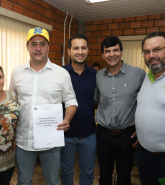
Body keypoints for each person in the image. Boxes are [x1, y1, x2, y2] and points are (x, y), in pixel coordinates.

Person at [9, 27, 78, 185]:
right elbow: (12, 100)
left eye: (42, 44)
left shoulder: (61, 73)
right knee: (23, 180)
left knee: (53, 180)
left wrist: (67, 119)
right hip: (23, 139)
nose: (38, 48)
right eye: (34, 44)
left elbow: (71, 101)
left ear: (48, 46)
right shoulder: (17, 72)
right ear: (27, 46)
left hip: (50, 139)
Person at [94, 36, 146, 185]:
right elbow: (98, 100)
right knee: (104, 175)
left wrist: (140, 129)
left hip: (127, 136)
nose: (112, 54)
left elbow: (145, 103)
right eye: (107, 51)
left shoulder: (138, 74)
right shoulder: (98, 76)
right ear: (103, 55)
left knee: (124, 176)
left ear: (121, 52)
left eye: (115, 50)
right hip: (103, 134)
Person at [60, 34, 97, 185]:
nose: (80, 51)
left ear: (88, 50)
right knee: (66, 171)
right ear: (69, 51)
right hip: (65, 134)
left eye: (83, 48)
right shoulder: (60, 73)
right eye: (76, 48)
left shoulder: (96, 75)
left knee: (88, 173)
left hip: (89, 133)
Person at [135, 31, 165, 185]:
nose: (151, 55)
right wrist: (142, 129)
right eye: (147, 52)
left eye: (157, 49)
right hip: (143, 153)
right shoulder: (148, 77)